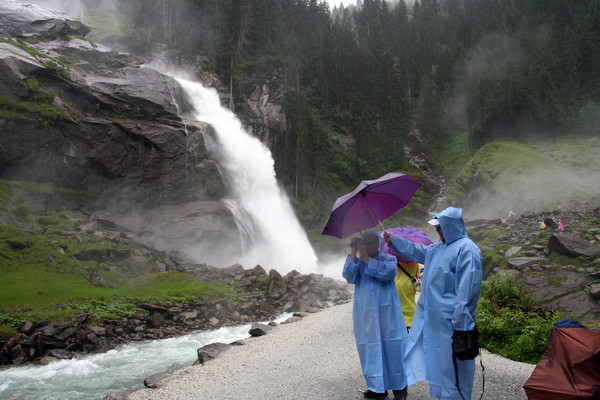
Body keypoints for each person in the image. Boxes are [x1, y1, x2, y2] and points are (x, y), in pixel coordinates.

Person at [383, 207, 482, 400]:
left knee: (455, 369)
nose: (438, 232)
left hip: (453, 323)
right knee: (440, 366)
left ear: (452, 226)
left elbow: (468, 290)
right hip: (436, 322)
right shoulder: (438, 249)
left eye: (441, 228)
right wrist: (393, 240)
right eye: (437, 229)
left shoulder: (467, 249)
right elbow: (417, 251)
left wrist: (462, 325)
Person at [343, 231, 409, 399]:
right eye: (366, 242)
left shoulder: (389, 259)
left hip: (388, 314)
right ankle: (377, 387)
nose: (369, 245)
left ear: (379, 244)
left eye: (372, 242)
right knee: (370, 348)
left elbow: (387, 274)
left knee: (393, 348)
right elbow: (348, 275)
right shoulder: (358, 264)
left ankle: (400, 388)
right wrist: (353, 251)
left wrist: (366, 258)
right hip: (365, 316)